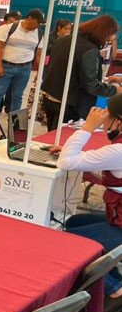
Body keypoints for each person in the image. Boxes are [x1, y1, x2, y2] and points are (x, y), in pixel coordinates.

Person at [56, 102, 122, 299]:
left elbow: (65, 162)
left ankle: (114, 287)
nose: (103, 116)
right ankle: (110, 270)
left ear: (118, 121)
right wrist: (78, 157)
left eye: (107, 113)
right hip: (117, 214)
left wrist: (87, 128)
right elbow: (111, 172)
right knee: (72, 222)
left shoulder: (119, 151)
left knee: (67, 242)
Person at [41, 15, 122, 130]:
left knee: (51, 137)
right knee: (61, 141)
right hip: (70, 104)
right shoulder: (89, 50)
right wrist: (114, 90)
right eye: (109, 36)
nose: (109, 39)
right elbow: (90, 85)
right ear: (103, 32)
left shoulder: (63, 39)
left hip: (50, 98)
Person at [0, 8, 45, 113]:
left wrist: (40, 71)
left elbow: (39, 54)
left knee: (18, 96)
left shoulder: (39, 34)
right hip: (6, 66)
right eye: (38, 22)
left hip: (25, 68)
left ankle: (14, 123)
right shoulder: (10, 28)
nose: (38, 26)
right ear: (30, 19)